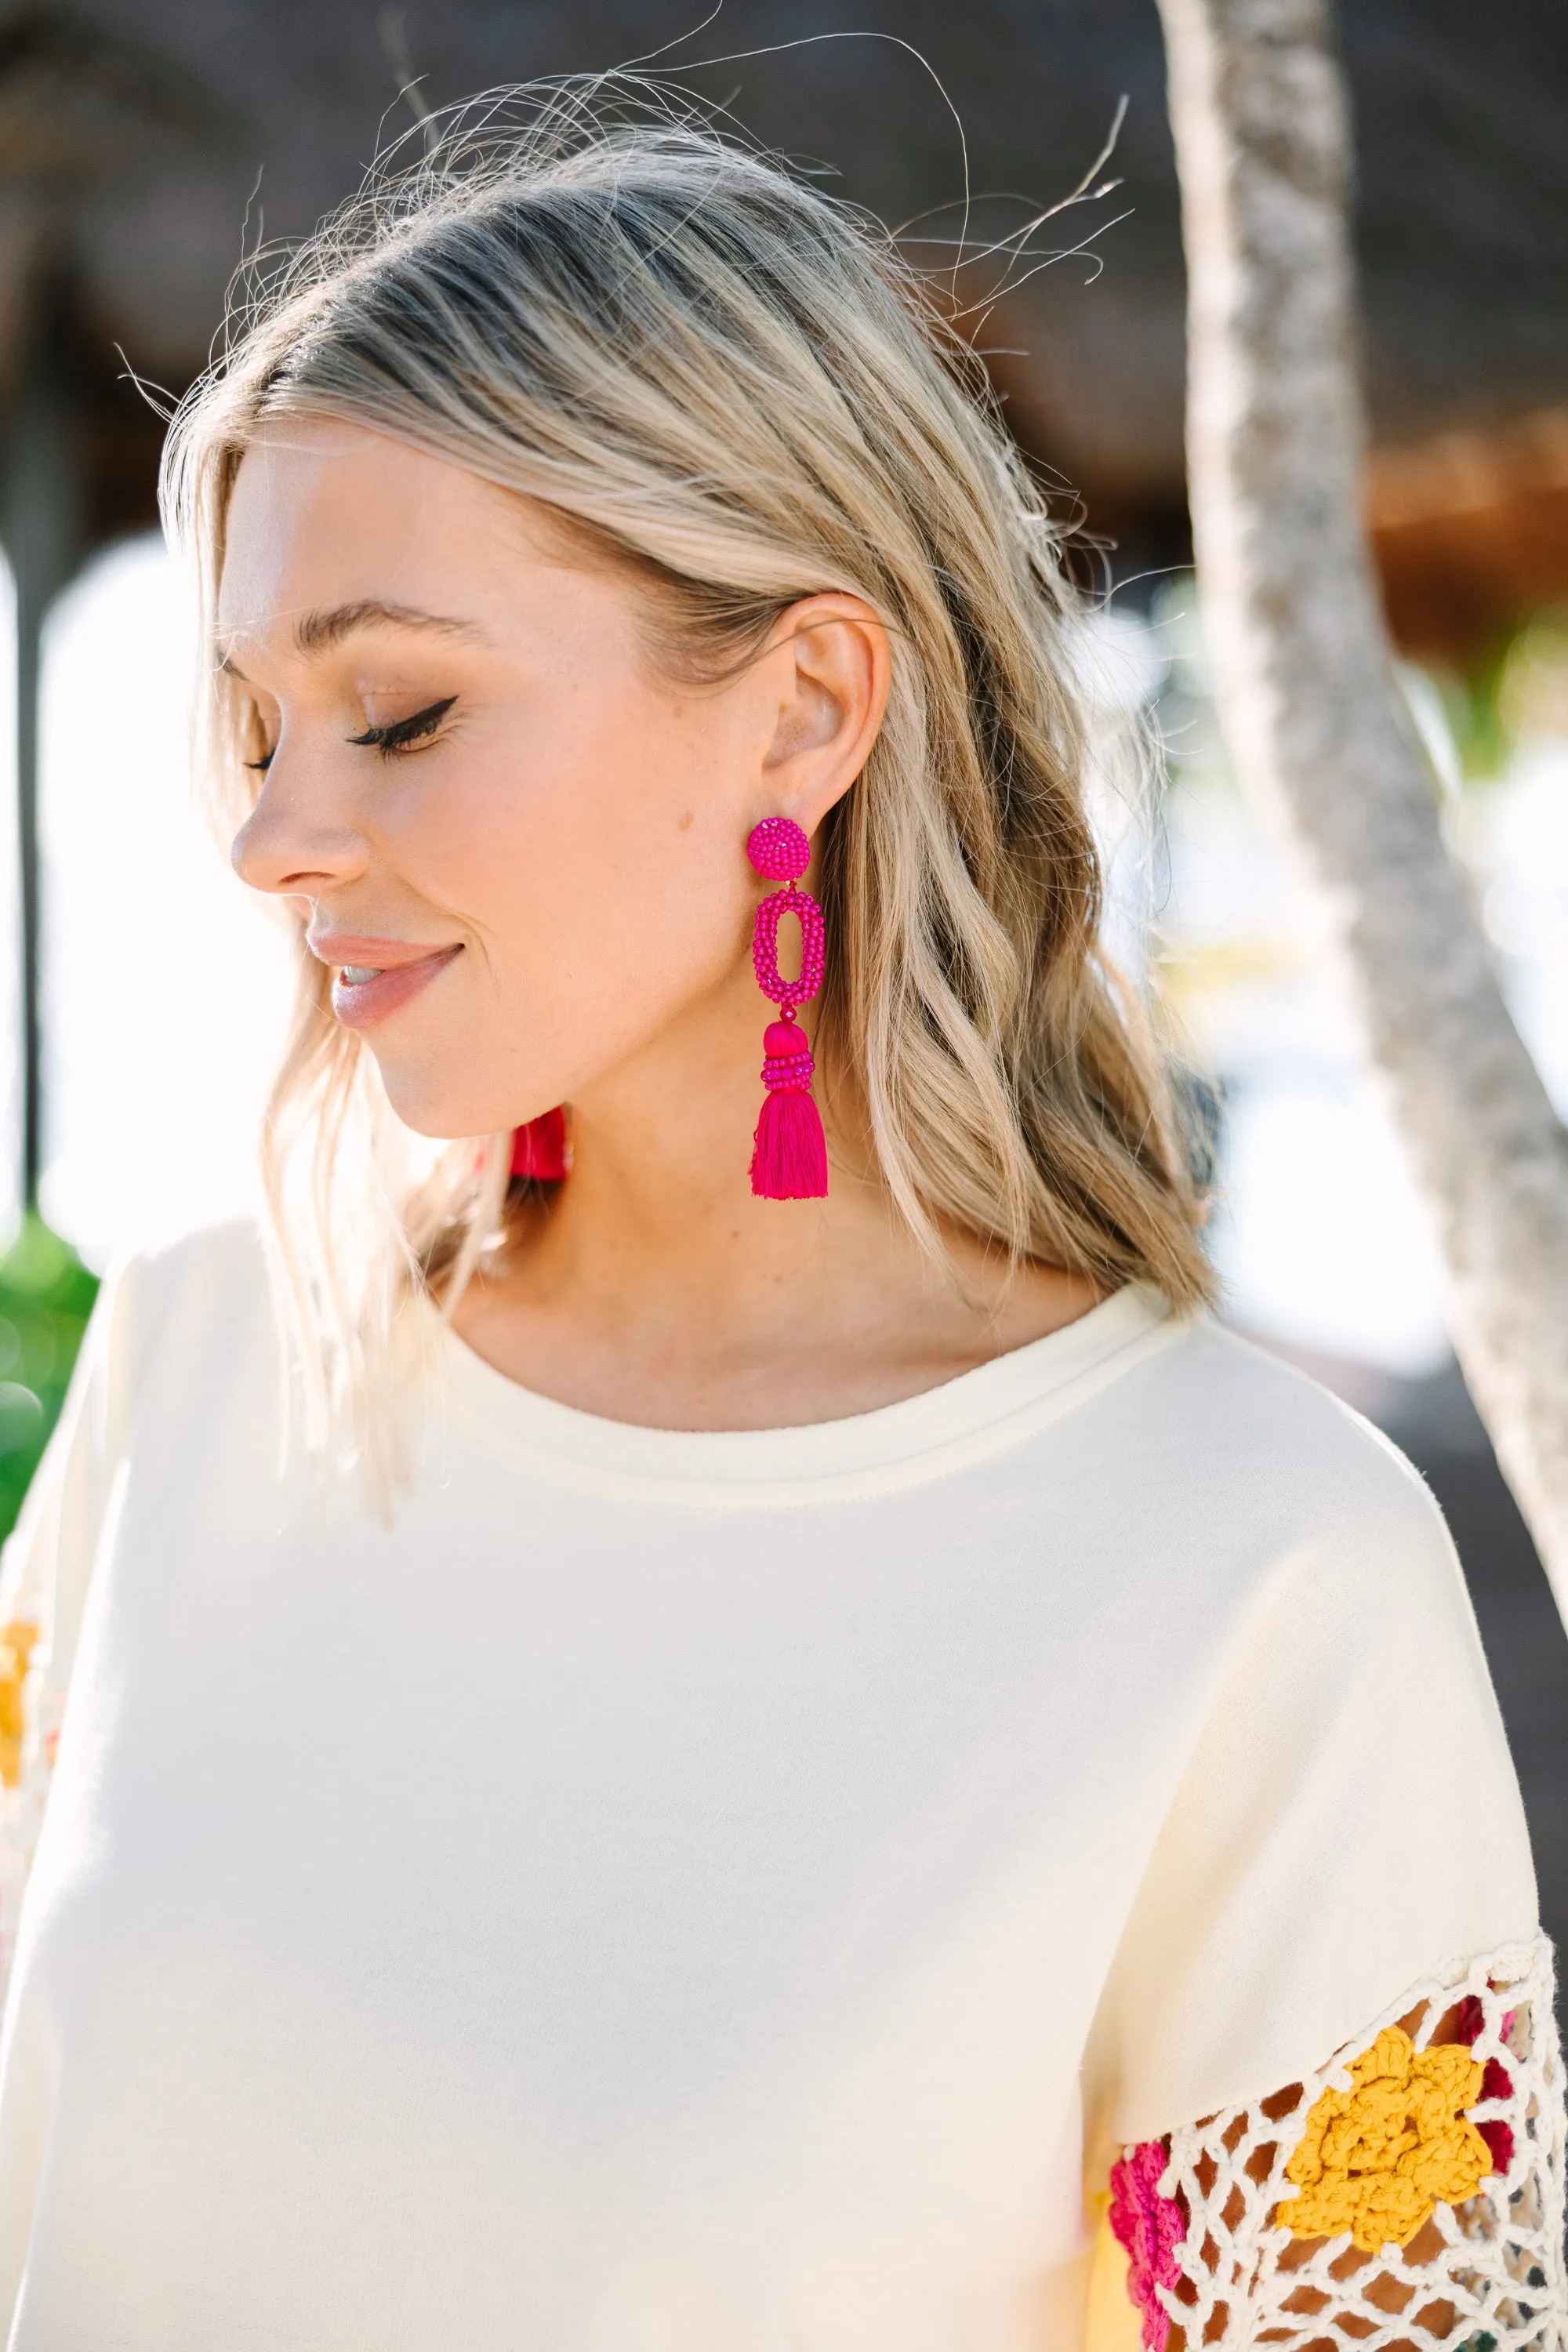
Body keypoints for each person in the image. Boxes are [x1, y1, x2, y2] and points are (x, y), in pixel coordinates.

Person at [0, 90, 1559, 2352]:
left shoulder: (1252, 1574)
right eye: (255, 727)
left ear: (807, 705)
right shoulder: (193, 1374)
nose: (273, 839)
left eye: (402, 711)